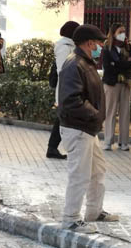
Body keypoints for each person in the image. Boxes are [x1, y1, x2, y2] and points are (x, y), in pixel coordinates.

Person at [58, 24, 119, 232]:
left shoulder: (85, 62)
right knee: (80, 175)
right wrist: (95, 115)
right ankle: (70, 219)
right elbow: (70, 100)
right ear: (90, 43)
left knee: (97, 171)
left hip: (87, 129)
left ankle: (94, 211)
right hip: (78, 128)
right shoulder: (74, 64)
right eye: (100, 43)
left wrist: (95, 119)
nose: (101, 47)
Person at [46, 21, 79, 159]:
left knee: (63, 118)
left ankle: (53, 148)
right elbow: (62, 70)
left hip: (69, 88)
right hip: (66, 89)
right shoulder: (64, 47)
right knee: (62, 118)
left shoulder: (70, 46)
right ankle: (53, 148)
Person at [101, 23, 131, 151]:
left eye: (124, 31)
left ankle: (123, 142)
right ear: (114, 33)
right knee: (110, 112)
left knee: (125, 112)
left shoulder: (128, 46)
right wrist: (123, 64)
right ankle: (108, 141)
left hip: (126, 83)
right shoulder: (107, 47)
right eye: (120, 31)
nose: (123, 34)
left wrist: (119, 64)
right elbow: (109, 66)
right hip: (111, 83)